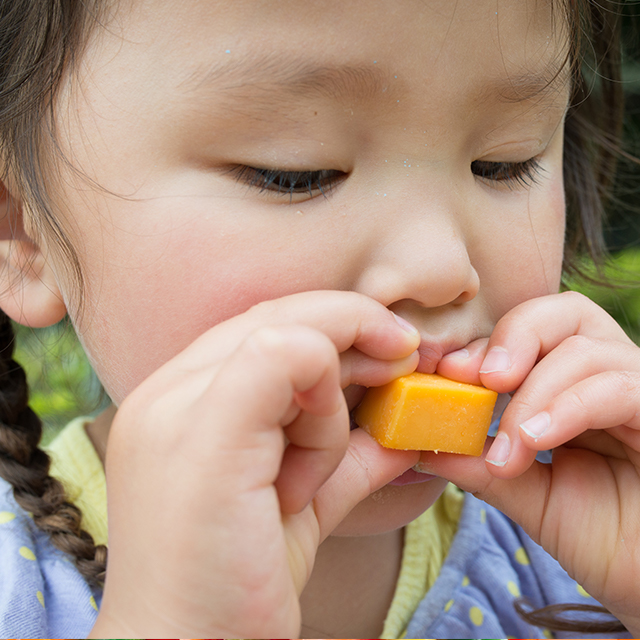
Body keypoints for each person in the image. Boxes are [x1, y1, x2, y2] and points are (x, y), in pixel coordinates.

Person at [0, 0, 637, 637]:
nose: (440, 265)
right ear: (19, 227)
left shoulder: (586, 550)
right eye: (293, 173)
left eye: (506, 161)